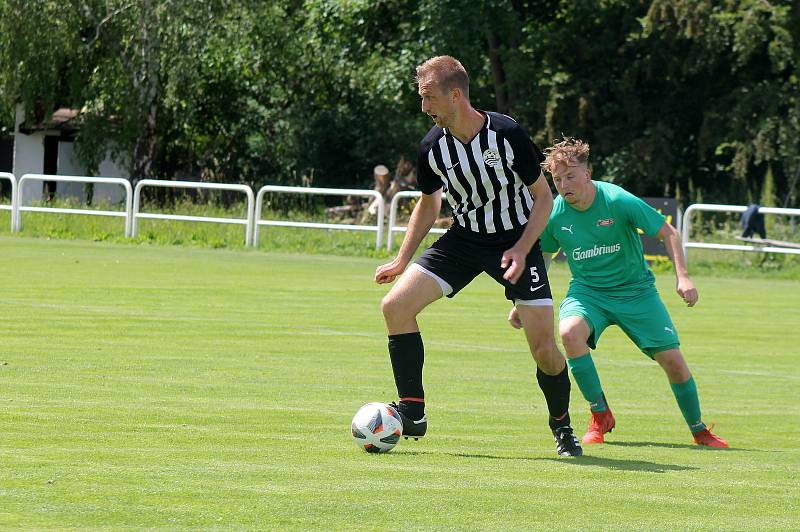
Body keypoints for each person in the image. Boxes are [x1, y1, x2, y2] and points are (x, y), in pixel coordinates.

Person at [374, 56, 582, 457]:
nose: (424, 107)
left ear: (455, 95)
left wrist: (522, 249)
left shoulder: (507, 134)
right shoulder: (432, 147)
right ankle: (413, 413)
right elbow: (428, 203)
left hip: (515, 243)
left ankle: (562, 425)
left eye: (429, 97)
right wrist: (402, 260)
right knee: (395, 307)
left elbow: (544, 198)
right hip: (464, 241)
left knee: (544, 350)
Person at [508, 137, 728, 448]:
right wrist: (527, 297)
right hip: (587, 293)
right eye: (557, 179)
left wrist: (683, 277)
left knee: (674, 362)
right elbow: (542, 255)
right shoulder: (555, 214)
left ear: (587, 173)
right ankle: (600, 415)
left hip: (636, 292)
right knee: (570, 333)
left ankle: (699, 430)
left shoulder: (617, 200)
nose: (563, 184)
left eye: (570, 176)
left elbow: (669, 232)